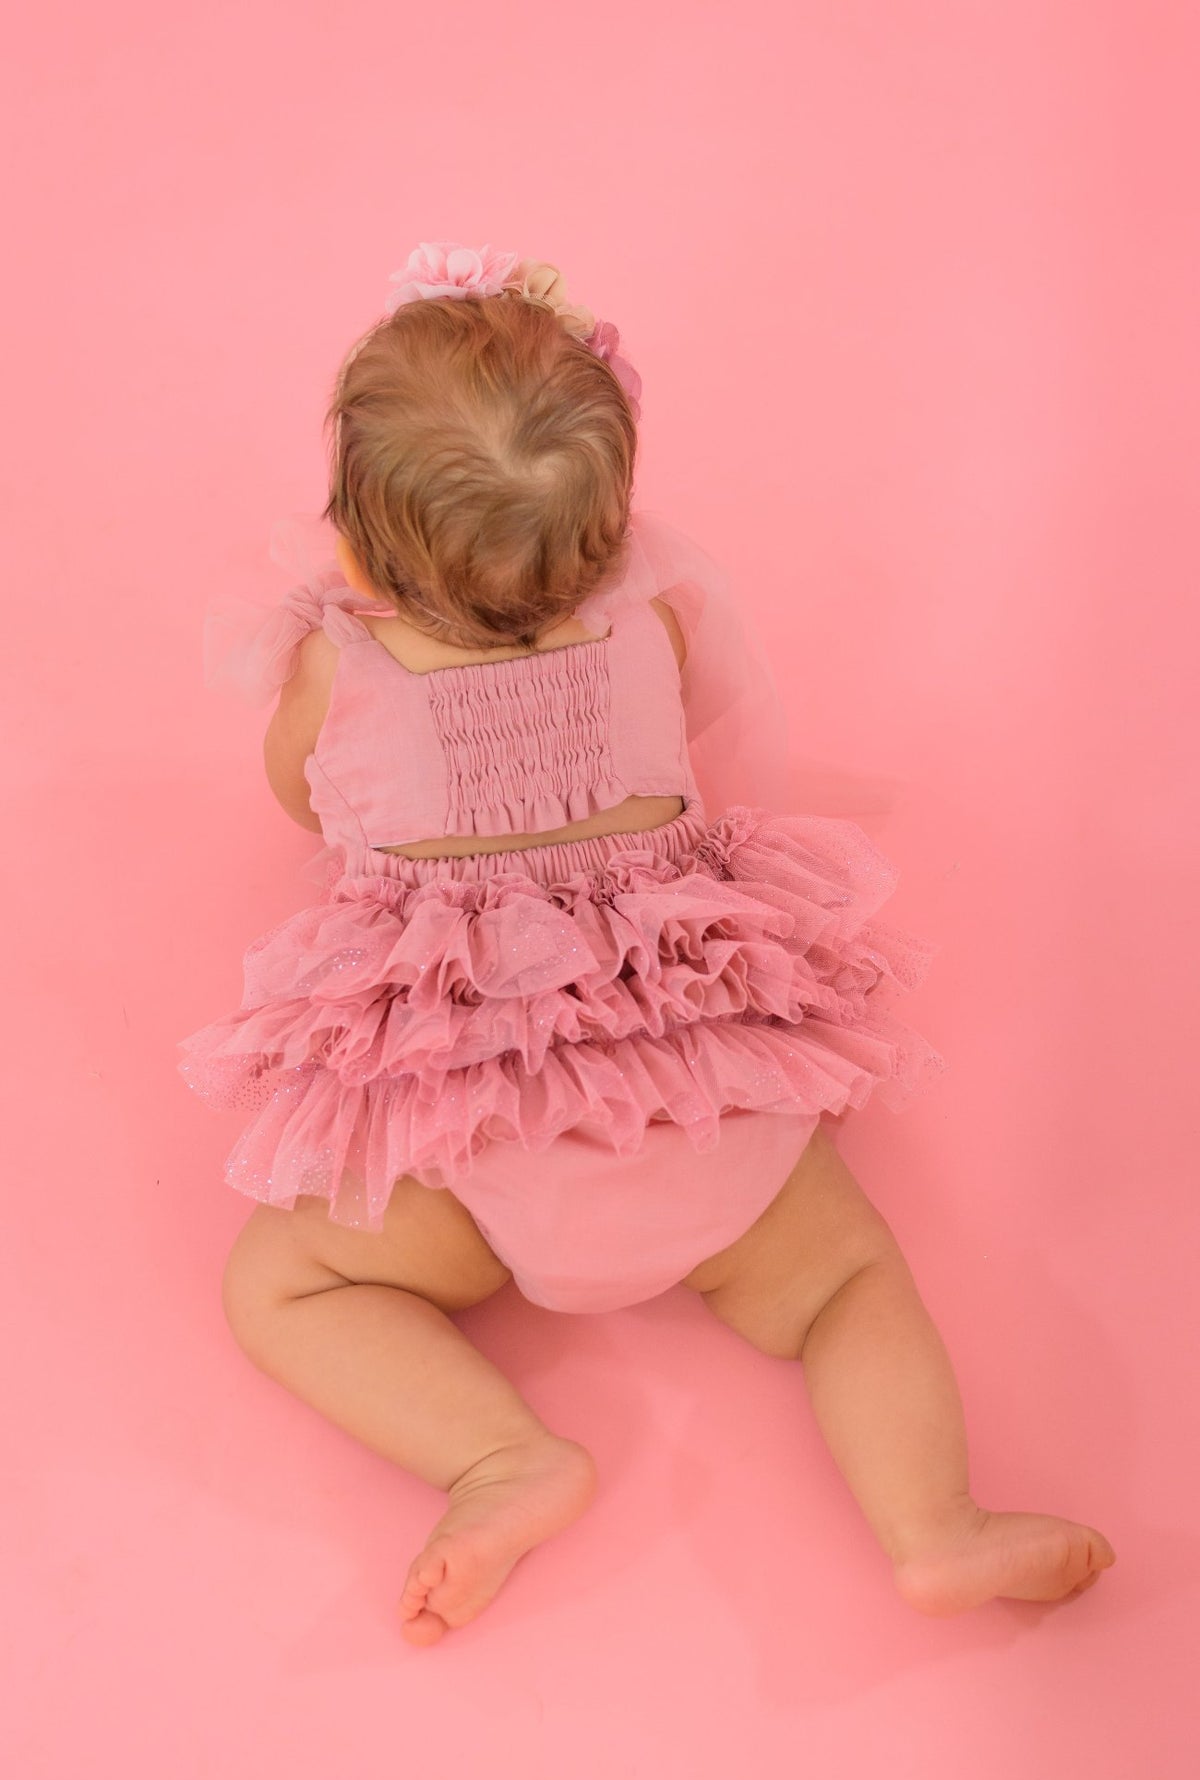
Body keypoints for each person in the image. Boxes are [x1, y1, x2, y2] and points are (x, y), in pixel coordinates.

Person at [178, 241, 1116, 1647]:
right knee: (851, 1279)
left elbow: (298, 797)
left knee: (281, 1283)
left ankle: (501, 1457)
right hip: (700, 1115)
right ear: (612, 532)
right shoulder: (651, 626)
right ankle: (935, 1523)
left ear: (358, 548)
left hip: (481, 1144)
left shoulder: (338, 662)